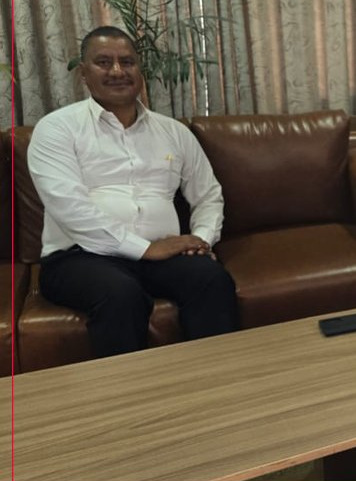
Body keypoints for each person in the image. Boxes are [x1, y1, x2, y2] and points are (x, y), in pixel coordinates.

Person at [27, 26, 238, 359]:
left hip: (163, 255)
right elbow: (69, 208)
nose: (117, 71)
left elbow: (208, 194)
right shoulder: (57, 129)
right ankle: (129, 392)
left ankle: (215, 380)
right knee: (119, 294)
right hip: (79, 257)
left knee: (211, 279)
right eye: (103, 62)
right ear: (83, 73)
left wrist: (201, 240)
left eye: (127, 62)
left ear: (140, 70)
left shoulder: (173, 132)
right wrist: (145, 249)